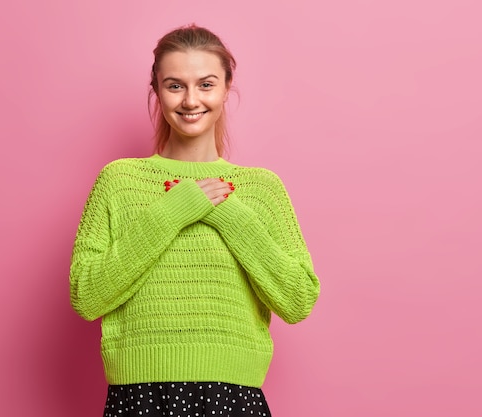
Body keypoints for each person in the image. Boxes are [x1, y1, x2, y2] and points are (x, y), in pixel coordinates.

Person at [69, 24, 320, 417]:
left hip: (234, 399)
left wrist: (231, 215)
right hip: (139, 398)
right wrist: (172, 211)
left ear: (226, 87)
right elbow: (86, 295)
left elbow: (298, 299)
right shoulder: (118, 181)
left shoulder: (260, 189)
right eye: (174, 85)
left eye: (205, 84)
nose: (190, 100)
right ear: (156, 90)